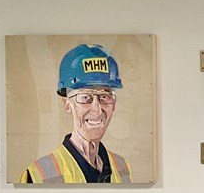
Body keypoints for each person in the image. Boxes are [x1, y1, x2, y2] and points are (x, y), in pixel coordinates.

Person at [19, 44, 132, 183]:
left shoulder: (122, 166)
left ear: (113, 104)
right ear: (67, 104)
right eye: (85, 97)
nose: (97, 110)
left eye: (104, 97)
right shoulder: (37, 174)